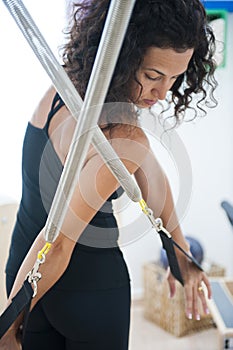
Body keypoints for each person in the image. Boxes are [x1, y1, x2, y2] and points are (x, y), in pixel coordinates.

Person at [0, 0, 217, 349]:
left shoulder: (61, 88)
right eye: (153, 76)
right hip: (87, 296)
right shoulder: (122, 136)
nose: (163, 93)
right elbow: (55, 245)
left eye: (175, 78)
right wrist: (7, 328)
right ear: (123, 59)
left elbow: (153, 177)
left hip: (24, 282)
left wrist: (180, 252)